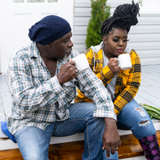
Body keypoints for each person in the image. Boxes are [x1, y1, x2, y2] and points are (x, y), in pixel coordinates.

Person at [7, 15, 120, 160]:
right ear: (47, 44)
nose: (71, 44)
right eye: (65, 40)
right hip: (31, 122)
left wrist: (111, 122)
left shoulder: (71, 55)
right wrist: (58, 81)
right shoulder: (20, 59)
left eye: (70, 38)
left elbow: (95, 87)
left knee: (96, 113)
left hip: (63, 117)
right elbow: (24, 101)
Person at [75, 2, 160, 160]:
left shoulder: (132, 57)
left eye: (125, 40)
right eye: (116, 39)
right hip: (95, 105)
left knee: (145, 123)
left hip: (120, 103)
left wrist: (112, 112)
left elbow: (132, 88)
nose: (121, 44)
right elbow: (84, 91)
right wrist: (108, 72)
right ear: (105, 38)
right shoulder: (91, 56)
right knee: (110, 153)